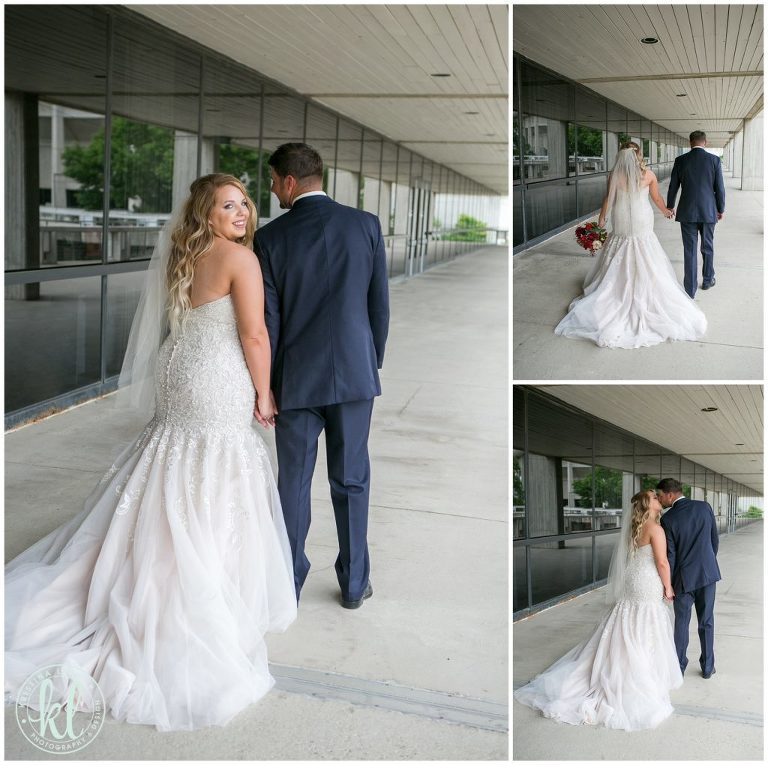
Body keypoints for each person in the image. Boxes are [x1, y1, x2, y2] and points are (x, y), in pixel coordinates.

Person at [5, 174, 298, 731]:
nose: (240, 213)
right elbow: (254, 335)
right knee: (217, 464)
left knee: (174, 457)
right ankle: (197, 576)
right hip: (215, 377)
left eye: (243, 204)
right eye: (227, 206)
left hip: (178, 369)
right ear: (207, 214)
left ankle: (156, 546)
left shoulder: (183, 254)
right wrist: (264, 392)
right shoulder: (240, 259)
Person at [254, 143, 390, 609]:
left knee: (292, 481)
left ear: (289, 182)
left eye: (273, 181)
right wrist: (371, 362)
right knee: (351, 479)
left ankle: (288, 581)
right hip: (355, 374)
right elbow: (379, 306)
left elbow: (268, 321)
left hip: (295, 379)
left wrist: (266, 385)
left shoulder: (270, 239)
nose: (272, 189)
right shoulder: (365, 225)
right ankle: (354, 584)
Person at [514, 490, 683, 731]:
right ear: (650, 505)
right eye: (656, 498)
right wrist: (668, 587)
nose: (659, 500)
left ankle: (626, 660)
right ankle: (641, 673)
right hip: (647, 581)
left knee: (629, 618)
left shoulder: (635, 527)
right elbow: (662, 562)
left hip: (633, 580)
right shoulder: (656, 529)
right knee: (647, 622)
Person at [554, 142, 707, 348]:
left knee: (621, 244)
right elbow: (656, 198)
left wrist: (601, 220)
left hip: (622, 216)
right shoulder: (649, 175)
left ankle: (617, 284)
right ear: (638, 155)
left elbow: (608, 199)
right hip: (642, 216)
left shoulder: (615, 176)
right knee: (644, 247)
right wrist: (666, 211)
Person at [656, 478, 721, 678]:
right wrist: (707, 563)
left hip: (683, 580)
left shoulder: (668, 519)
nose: (660, 500)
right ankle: (708, 667)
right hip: (707, 574)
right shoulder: (704, 507)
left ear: (669, 494)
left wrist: (669, 585)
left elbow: (671, 556)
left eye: (660, 495)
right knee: (707, 621)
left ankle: (679, 667)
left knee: (682, 624)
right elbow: (714, 540)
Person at [666, 130, 726, 297]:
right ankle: (707, 280)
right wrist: (720, 209)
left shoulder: (680, 160)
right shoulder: (714, 160)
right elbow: (719, 188)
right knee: (707, 246)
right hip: (708, 211)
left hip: (687, 211)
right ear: (705, 142)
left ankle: (690, 289)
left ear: (690, 142)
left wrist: (670, 206)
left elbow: (673, 186)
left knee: (690, 250)